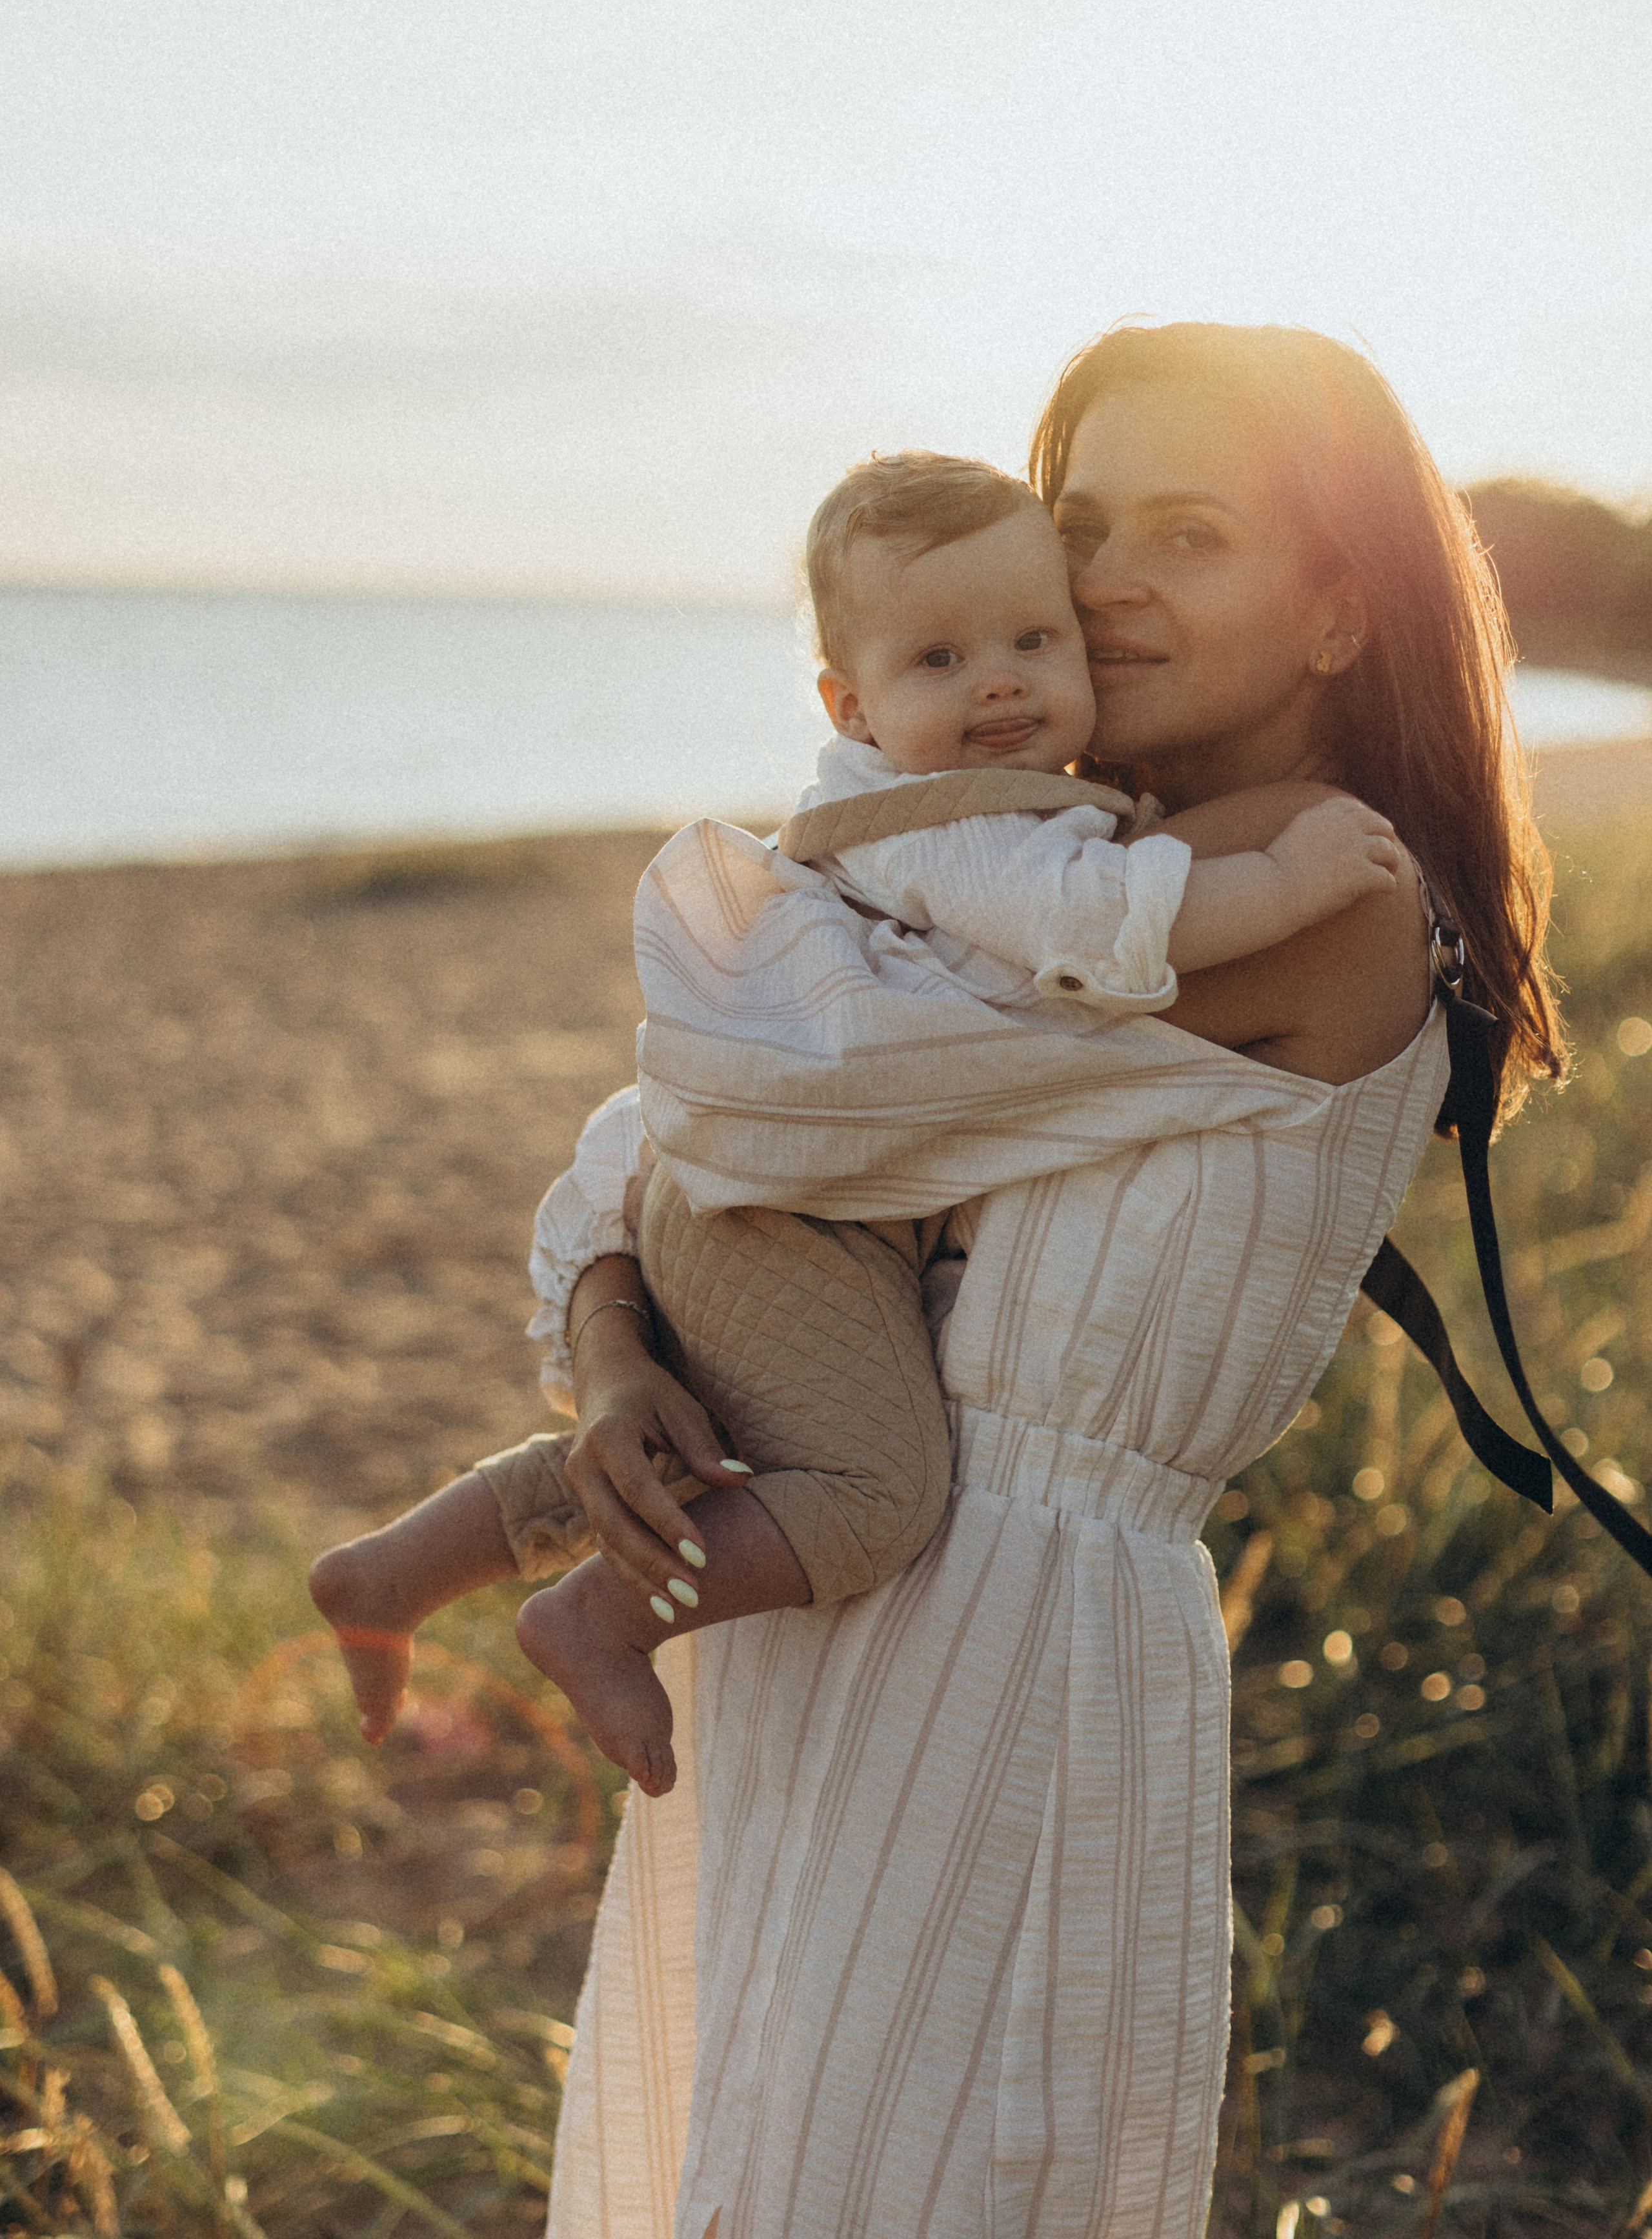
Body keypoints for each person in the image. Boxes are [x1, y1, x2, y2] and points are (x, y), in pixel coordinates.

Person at [531, 323, 1563, 2239]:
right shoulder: (1075, 871)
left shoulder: (1305, 896)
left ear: (1339, 615)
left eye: (1192, 535)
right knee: (764, 2161)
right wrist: (607, 1345)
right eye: (1083, 528)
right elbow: (734, 1126)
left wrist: (639, 1246)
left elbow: (773, 1099)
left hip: (1010, 1640)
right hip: (850, 1582)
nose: (1110, 584)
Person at [310, 449, 1399, 1802]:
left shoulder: (945, 811)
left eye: (1032, 639)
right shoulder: (966, 831)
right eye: (939, 659)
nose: (998, 682)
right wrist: (1283, 878)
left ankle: (397, 1569)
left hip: (774, 1217)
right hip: (793, 1227)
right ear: (851, 705)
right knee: (872, 1489)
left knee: (709, 1448)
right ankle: (598, 1617)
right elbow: (1100, 928)